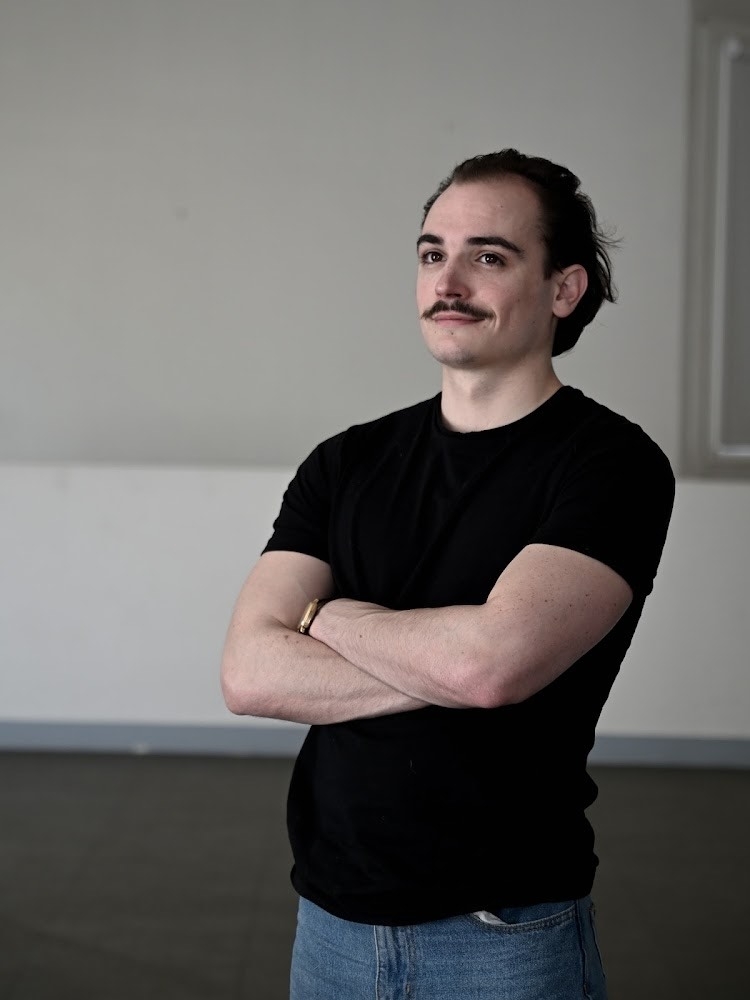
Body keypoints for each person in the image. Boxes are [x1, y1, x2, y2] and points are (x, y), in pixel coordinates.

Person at [221, 148, 675, 1000]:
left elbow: (490, 668)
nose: (449, 281)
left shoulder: (610, 465)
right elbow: (248, 675)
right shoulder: (345, 462)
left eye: (489, 257)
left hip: (505, 935)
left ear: (564, 289)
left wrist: (324, 618)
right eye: (433, 253)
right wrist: (455, 658)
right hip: (330, 926)